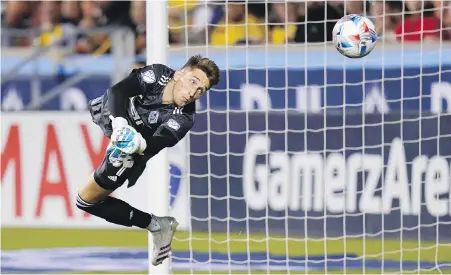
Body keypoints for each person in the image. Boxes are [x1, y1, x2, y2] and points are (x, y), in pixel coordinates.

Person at [76, 55, 220, 266]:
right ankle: (157, 226)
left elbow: (153, 145)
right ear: (179, 74)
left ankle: (156, 225)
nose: (193, 92)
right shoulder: (158, 75)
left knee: (86, 200)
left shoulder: (183, 118)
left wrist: (134, 144)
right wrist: (121, 125)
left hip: (131, 152)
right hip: (113, 118)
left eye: (201, 90)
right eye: (193, 82)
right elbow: (119, 91)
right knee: (112, 98)